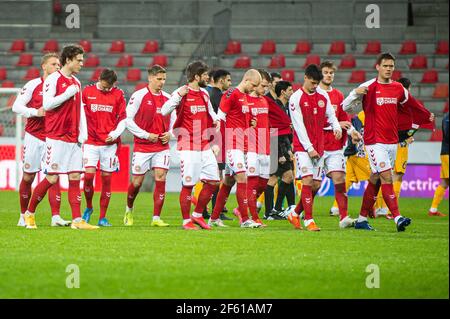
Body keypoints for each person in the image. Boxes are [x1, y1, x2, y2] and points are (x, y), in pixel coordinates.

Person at [24, 44, 98, 230]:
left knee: (74, 176)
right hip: (56, 136)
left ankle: (77, 220)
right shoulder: (53, 79)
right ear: (68, 60)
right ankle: (29, 213)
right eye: (79, 60)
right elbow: (47, 105)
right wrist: (66, 94)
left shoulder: (77, 82)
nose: (82, 63)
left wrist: (84, 132)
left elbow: (79, 108)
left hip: (73, 138)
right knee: (52, 178)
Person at [342, 52, 412, 232]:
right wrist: (354, 94)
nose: (388, 69)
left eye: (391, 66)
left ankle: (361, 219)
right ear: (378, 67)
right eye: (385, 66)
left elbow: (406, 110)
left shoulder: (397, 88)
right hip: (374, 142)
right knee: (387, 176)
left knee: (376, 179)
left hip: (391, 142)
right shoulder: (368, 86)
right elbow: (345, 107)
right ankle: (397, 217)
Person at [13, 52, 70, 227]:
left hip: (53, 137)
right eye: (53, 64)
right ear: (44, 66)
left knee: (53, 175)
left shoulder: (62, 86)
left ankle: (56, 217)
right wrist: (35, 112)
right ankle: (23, 216)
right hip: (33, 137)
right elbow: (16, 106)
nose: (57, 68)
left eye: (59, 65)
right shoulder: (33, 85)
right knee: (29, 176)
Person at [161, 61, 220, 230]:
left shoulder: (204, 94)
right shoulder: (181, 93)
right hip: (187, 145)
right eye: (205, 75)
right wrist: (178, 96)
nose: (208, 77)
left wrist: (214, 119)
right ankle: (186, 220)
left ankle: (197, 215)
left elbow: (210, 111)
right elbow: (164, 110)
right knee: (188, 184)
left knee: (214, 181)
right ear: (196, 77)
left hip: (204, 144)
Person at [286, 64, 342, 231]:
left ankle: (294, 214)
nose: (315, 86)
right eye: (312, 82)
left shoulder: (323, 95)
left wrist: (336, 127)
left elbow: (331, 115)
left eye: (317, 83)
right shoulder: (296, 98)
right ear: (305, 78)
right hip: (303, 147)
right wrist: (309, 147)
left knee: (316, 186)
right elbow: (298, 126)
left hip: (320, 146)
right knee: (308, 181)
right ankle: (309, 220)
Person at [208, 69, 262, 228]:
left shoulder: (245, 97)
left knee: (228, 182)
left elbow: (242, 118)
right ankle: (245, 219)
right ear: (246, 80)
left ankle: (213, 218)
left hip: (242, 145)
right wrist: (217, 142)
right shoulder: (231, 94)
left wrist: (251, 121)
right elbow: (220, 117)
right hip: (232, 145)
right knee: (242, 177)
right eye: (253, 85)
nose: (254, 89)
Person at [375, 77, 434, 217]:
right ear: (408, 89)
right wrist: (410, 133)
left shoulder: (391, 102)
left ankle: (379, 207)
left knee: (382, 174)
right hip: (399, 144)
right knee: (397, 176)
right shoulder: (409, 104)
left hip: (385, 142)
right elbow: (417, 120)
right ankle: (388, 210)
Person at [124, 65, 175, 227]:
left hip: (161, 146)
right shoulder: (139, 96)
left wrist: (171, 134)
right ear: (150, 78)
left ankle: (156, 218)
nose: (162, 82)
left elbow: (175, 121)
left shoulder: (168, 98)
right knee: (137, 182)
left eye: (164, 79)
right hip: (142, 146)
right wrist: (145, 135)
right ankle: (129, 210)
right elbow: (128, 120)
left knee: (161, 177)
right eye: (159, 79)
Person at [316, 61, 361, 228]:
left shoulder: (338, 95)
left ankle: (343, 218)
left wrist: (352, 132)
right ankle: (296, 213)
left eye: (331, 73)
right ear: (320, 74)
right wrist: (334, 126)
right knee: (314, 185)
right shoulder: (314, 94)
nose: (329, 75)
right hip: (317, 146)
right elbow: (311, 123)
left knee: (340, 179)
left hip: (335, 147)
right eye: (326, 72)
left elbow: (345, 120)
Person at [81, 68, 127, 226]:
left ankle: (102, 217)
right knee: (88, 177)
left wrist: (115, 134)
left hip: (109, 144)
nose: (108, 89)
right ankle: (88, 208)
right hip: (91, 142)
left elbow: (123, 118)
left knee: (106, 180)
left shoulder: (118, 94)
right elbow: (80, 115)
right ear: (99, 79)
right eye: (105, 86)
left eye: (110, 87)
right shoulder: (86, 92)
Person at [191, 69, 233, 220]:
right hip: (216, 139)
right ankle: (215, 210)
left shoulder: (204, 92)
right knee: (216, 176)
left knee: (208, 175)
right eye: (228, 80)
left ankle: (204, 207)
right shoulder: (217, 95)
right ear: (221, 81)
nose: (230, 83)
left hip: (203, 138)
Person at [264, 80, 295, 220]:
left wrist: (289, 148)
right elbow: (274, 130)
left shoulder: (285, 107)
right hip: (276, 145)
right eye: (290, 90)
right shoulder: (277, 106)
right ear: (283, 92)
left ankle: (274, 210)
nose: (292, 92)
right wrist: (280, 152)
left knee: (284, 177)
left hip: (283, 144)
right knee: (274, 179)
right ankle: (271, 211)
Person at [245, 69, 271, 226]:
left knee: (263, 182)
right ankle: (254, 217)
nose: (265, 89)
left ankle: (246, 207)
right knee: (253, 182)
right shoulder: (245, 100)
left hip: (265, 145)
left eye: (267, 86)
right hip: (251, 147)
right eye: (263, 86)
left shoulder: (264, 101)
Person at [428, 112, 449, 216]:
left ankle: (433, 209)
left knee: (445, 181)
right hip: (448, 152)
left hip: (445, 152)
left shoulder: (446, 116)